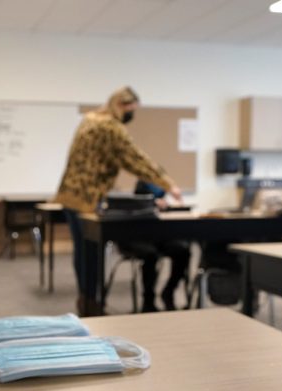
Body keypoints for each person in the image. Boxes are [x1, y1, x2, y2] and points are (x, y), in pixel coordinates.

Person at [54, 86, 182, 316]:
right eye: (131, 109)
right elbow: (136, 159)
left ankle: (87, 301)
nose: (131, 114)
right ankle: (92, 307)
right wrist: (168, 183)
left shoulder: (89, 120)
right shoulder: (110, 127)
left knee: (82, 251)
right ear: (121, 105)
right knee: (90, 253)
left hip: (70, 194)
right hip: (87, 198)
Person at [117, 180, 191, 312]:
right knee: (150, 255)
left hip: (159, 236)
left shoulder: (163, 187)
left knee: (183, 250)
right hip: (138, 238)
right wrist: (151, 203)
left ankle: (169, 291)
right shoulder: (142, 186)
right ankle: (148, 300)